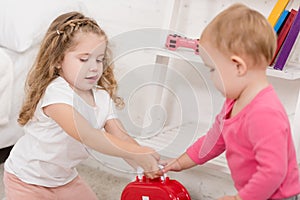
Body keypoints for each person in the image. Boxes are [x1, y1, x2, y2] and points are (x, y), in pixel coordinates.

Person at [3, 11, 160, 200]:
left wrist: (143, 162)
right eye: (84, 59)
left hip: (64, 180)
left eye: (99, 59)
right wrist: (137, 152)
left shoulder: (101, 97)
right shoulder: (56, 92)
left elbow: (121, 136)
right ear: (58, 60)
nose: (94, 67)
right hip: (26, 179)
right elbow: (87, 135)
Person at [159, 3, 300, 200]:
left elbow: (273, 172)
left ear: (238, 67)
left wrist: (238, 198)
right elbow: (215, 139)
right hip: (256, 192)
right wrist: (181, 162)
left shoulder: (265, 113)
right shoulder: (233, 102)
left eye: (213, 69)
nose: (211, 77)